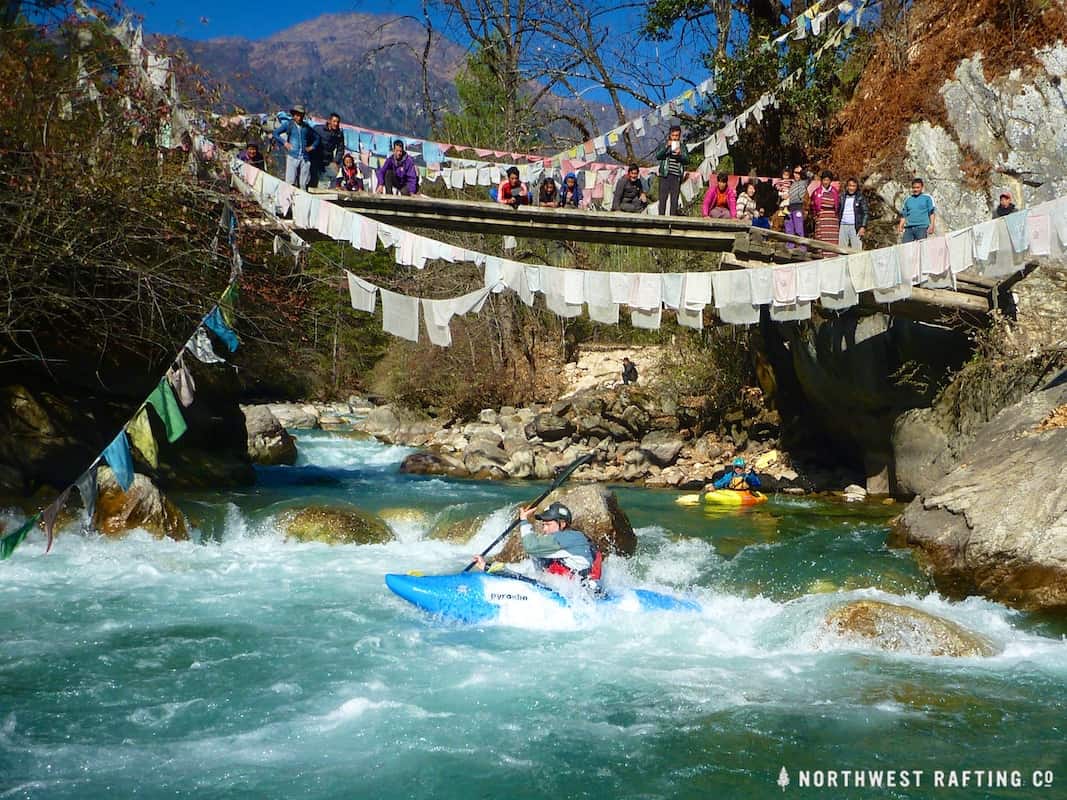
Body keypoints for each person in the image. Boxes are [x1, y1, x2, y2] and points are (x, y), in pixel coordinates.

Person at [472, 502, 603, 591]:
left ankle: (489, 568)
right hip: (574, 591)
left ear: (562, 524)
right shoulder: (568, 540)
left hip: (577, 595)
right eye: (543, 525)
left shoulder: (568, 538)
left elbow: (531, 546)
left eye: (548, 524)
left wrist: (524, 521)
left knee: (535, 555)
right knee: (537, 561)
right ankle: (488, 567)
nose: (544, 529)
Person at [272, 104, 320, 190]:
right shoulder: (288, 125)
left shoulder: (306, 127)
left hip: (305, 158)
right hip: (292, 156)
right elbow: (275, 133)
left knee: (303, 184)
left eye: (300, 115)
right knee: (290, 182)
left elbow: (317, 138)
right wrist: (285, 143)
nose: (298, 117)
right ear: (293, 115)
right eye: (297, 115)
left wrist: (312, 147)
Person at [655, 125, 688, 216]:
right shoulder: (663, 144)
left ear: (679, 136)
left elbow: (687, 160)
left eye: (677, 135)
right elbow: (658, 156)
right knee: (662, 199)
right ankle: (661, 220)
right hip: (664, 175)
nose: (675, 137)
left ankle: (672, 221)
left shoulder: (682, 147)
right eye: (673, 135)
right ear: (670, 135)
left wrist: (680, 155)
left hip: (676, 176)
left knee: (674, 200)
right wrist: (667, 147)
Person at [897, 177, 936, 242]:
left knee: (921, 248)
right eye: (914, 187)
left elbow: (931, 213)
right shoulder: (908, 200)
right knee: (906, 248)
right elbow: (904, 215)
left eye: (918, 187)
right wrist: (900, 226)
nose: (915, 189)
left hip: (922, 228)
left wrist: (932, 225)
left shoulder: (927, 198)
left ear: (922, 187)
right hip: (909, 229)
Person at [313, 112, 345, 188]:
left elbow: (340, 149)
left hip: (328, 160)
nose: (336, 124)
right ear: (329, 121)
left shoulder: (339, 134)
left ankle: (332, 192)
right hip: (316, 158)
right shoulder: (318, 129)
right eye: (334, 121)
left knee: (336, 175)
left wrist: (336, 161)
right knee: (313, 178)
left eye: (338, 122)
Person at [811, 171, 841, 246]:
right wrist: (815, 216)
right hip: (821, 219)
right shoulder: (816, 192)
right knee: (821, 242)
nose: (826, 182)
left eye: (827, 180)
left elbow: (838, 205)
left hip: (832, 220)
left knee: (832, 241)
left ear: (830, 181)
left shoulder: (835, 191)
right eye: (824, 180)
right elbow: (812, 205)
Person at [837, 177, 868, 249]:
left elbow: (865, 213)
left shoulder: (860, 198)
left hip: (856, 226)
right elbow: (837, 210)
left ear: (856, 187)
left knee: (856, 249)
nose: (851, 188)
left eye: (854, 186)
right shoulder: (842, 197)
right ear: (847, 186)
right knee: (842, 249)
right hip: (843, 225)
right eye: (850, 186)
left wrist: (863, 226)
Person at [784, 165, 809, 241]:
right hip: (788, 208)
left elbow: (810, 175)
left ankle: (801, 248)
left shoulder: (804, 182)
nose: (797, 174)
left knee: (799, 229)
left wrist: (802, 171)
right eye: (795, 172)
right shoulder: (791, 183)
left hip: (798, 207)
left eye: (799, 173)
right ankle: (790, 248)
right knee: (789, 229)